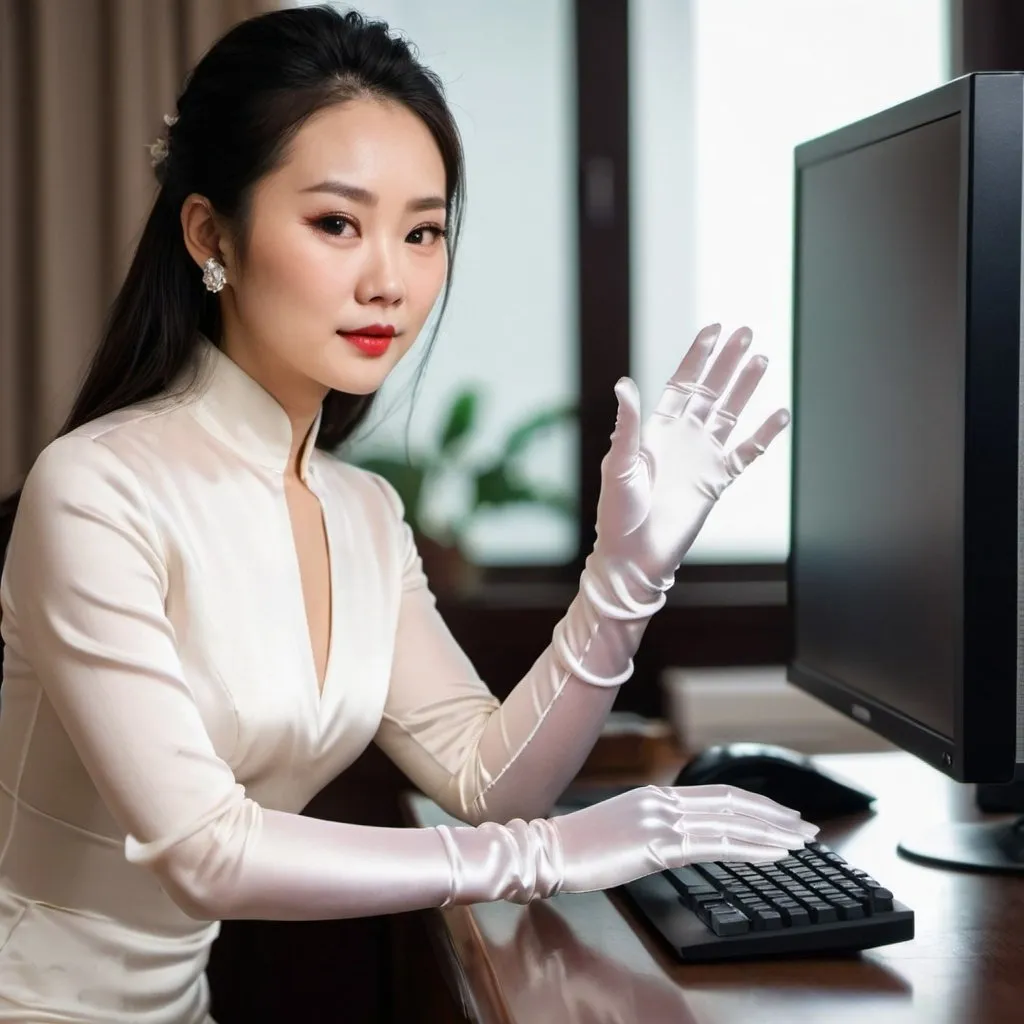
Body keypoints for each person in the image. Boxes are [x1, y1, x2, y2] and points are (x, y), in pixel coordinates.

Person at [0, 5, 816, 1022]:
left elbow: (485, 777)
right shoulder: (93, 488)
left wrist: (625, 578)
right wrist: (540, 856)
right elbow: (207, 850)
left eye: (422, 230)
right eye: (336, 222)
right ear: (211, 232)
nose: (389, 279)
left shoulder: (363, 511)